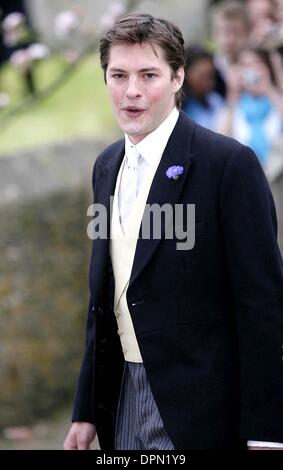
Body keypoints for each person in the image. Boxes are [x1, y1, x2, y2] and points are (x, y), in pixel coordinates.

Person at [64, 13, 283, 450]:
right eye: (118, 75)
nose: (132, 91)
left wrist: (266, 433)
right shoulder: (106, 166)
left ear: (178, 76)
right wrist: (86, 410)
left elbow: (263, 307)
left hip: (202, 408)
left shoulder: (228, 165)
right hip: (121, 400)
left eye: (149, 75)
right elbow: (104, 298)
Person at [217, 46, 283, 167]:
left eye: (257, 64)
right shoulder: (233, 105)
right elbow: (220, 140)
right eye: (245, 65)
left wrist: (268, 88)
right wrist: (233, 93)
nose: (251, 70)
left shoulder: (277, 98)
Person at [211, 0, 251, 98]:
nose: (230, 40)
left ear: (248, 33)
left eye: (236, 32)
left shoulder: (260, 64)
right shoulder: (211, 69)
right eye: (224, 32)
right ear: (215, 34)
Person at [182, 45, 224, 131]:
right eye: (202, 76)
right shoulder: (175, 107)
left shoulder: (216, 100)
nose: (209, 83)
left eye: (211, 76)